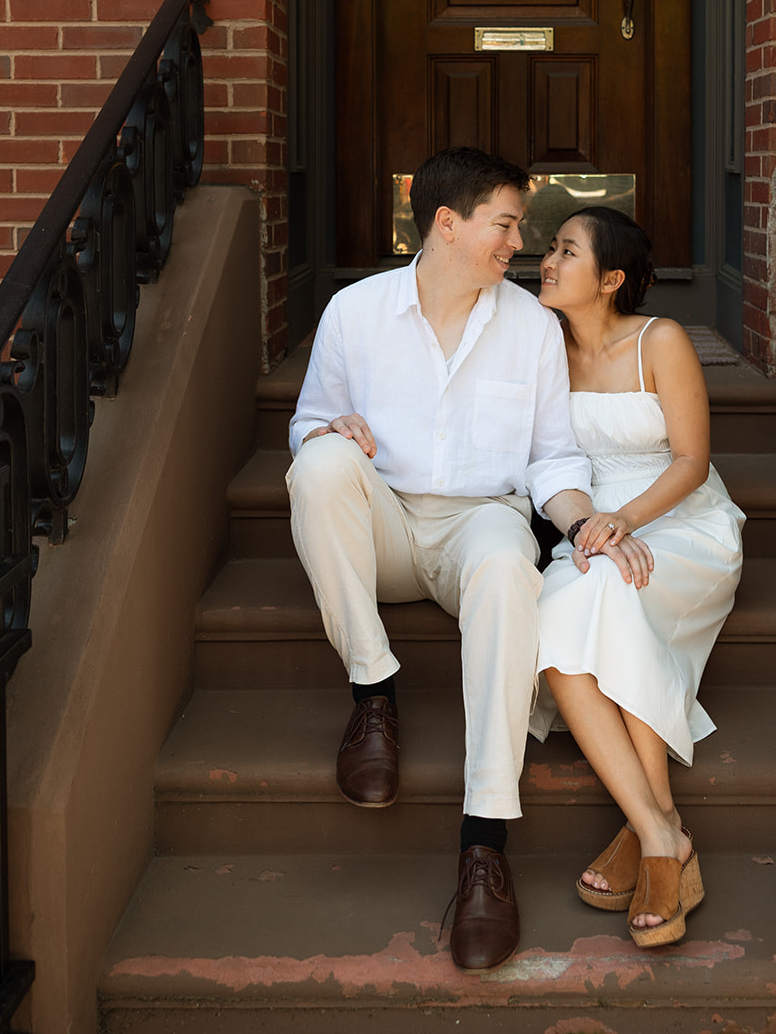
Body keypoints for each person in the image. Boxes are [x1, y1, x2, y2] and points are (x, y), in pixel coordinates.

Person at [287, 148, 631, 971]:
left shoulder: (530, 327)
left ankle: (484, 844)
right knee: (321, 463)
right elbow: (305, 426)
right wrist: (333, 432)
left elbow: (551, 458)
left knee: (510, 565)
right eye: (505, 224)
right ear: (448, 224)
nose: (519, 241)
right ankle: (374, 691)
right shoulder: (353, 312)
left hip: (481, 522)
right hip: (388, 527)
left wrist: (585, 520)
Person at [528, 206, 744, 948]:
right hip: (590, 527)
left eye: (565, 251)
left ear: (611, 278)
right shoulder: (538, 344)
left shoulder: (661, 340)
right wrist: (596, 526)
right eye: (550, 247)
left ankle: (651, 833)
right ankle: (661, 831)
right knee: (558, 616)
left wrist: (626, 522)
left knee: (612, 592)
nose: (546, 260)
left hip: (678, 522)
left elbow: (690, 460)